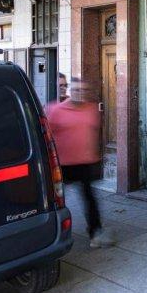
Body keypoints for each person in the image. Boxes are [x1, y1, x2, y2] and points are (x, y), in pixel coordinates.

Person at [46, 77, 111, 247]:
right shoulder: (55, 110)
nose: (80, 93)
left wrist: (97, 155)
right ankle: (51, 235)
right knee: (56, 201)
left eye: (83, 90)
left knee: (90, 199)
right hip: (63, 166)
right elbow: (47, 137)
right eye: (76, 90)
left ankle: (95, 234)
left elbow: (95, 134)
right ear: (70, 91)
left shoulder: (91, 109)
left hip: (85, 163)